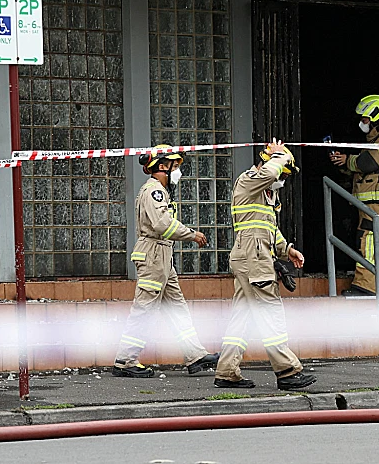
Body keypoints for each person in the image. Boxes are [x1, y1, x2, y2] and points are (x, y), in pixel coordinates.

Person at [214, 140, 317, 390]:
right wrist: (279, 157)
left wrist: (287, 250)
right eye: (283, 172)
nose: (282, 178)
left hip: (253, 256)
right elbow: (271, 171)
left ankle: (226, 371)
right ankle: (287, 371)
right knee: (271, 313)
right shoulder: (250, 179)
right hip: (253, 257)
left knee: (242, 317)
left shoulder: (266, 191)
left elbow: (269, 229)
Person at [112, 145, 219, 378]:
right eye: (176, 165)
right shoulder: (154, 191)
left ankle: (195, 355)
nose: (178, 170)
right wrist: (191, 234)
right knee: (144, 307)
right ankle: (125, 360)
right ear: (162, 166)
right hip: (153, 255)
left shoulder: (160, 190)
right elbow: (162, 224)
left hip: (161, 256)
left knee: (176, 306)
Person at [330, 94, 379, 296]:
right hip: (371, 200)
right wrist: (343, 163)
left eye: (365, 119)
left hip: (378, 199)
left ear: (376, 117)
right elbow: (362, 169)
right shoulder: (375, 140)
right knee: (376, 241)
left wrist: (348, 160)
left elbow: (369, 163)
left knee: (366, 239)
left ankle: (366, 285)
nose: (362, 123)